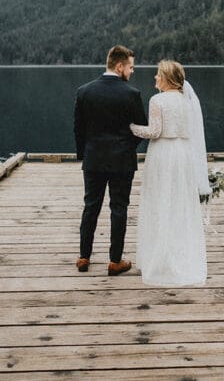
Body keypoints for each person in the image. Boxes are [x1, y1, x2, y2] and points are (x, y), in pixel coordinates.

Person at [130, 60, 210, 286]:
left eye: (157, 74)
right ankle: (180, 253)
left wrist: (132, 128)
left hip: (163, 154)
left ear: (166, 77)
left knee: (160, 201)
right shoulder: (189, 101)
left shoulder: (158, 100)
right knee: (179, 202)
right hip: (183, 155)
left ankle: (160, 257)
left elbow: (155, 132)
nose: (155, 78)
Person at [73, 45, 147, 276]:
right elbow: (140, 129)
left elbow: (78, 129)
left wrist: (85, 154)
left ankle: (84, 257)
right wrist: (125, 148)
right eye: (131, 67)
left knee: (90, 206)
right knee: (119, 208)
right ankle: (115, 261)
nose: (132, 72)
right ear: (119, 66)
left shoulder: (84, 91)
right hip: (122, 161)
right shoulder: (131, 94)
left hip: (93, 159)